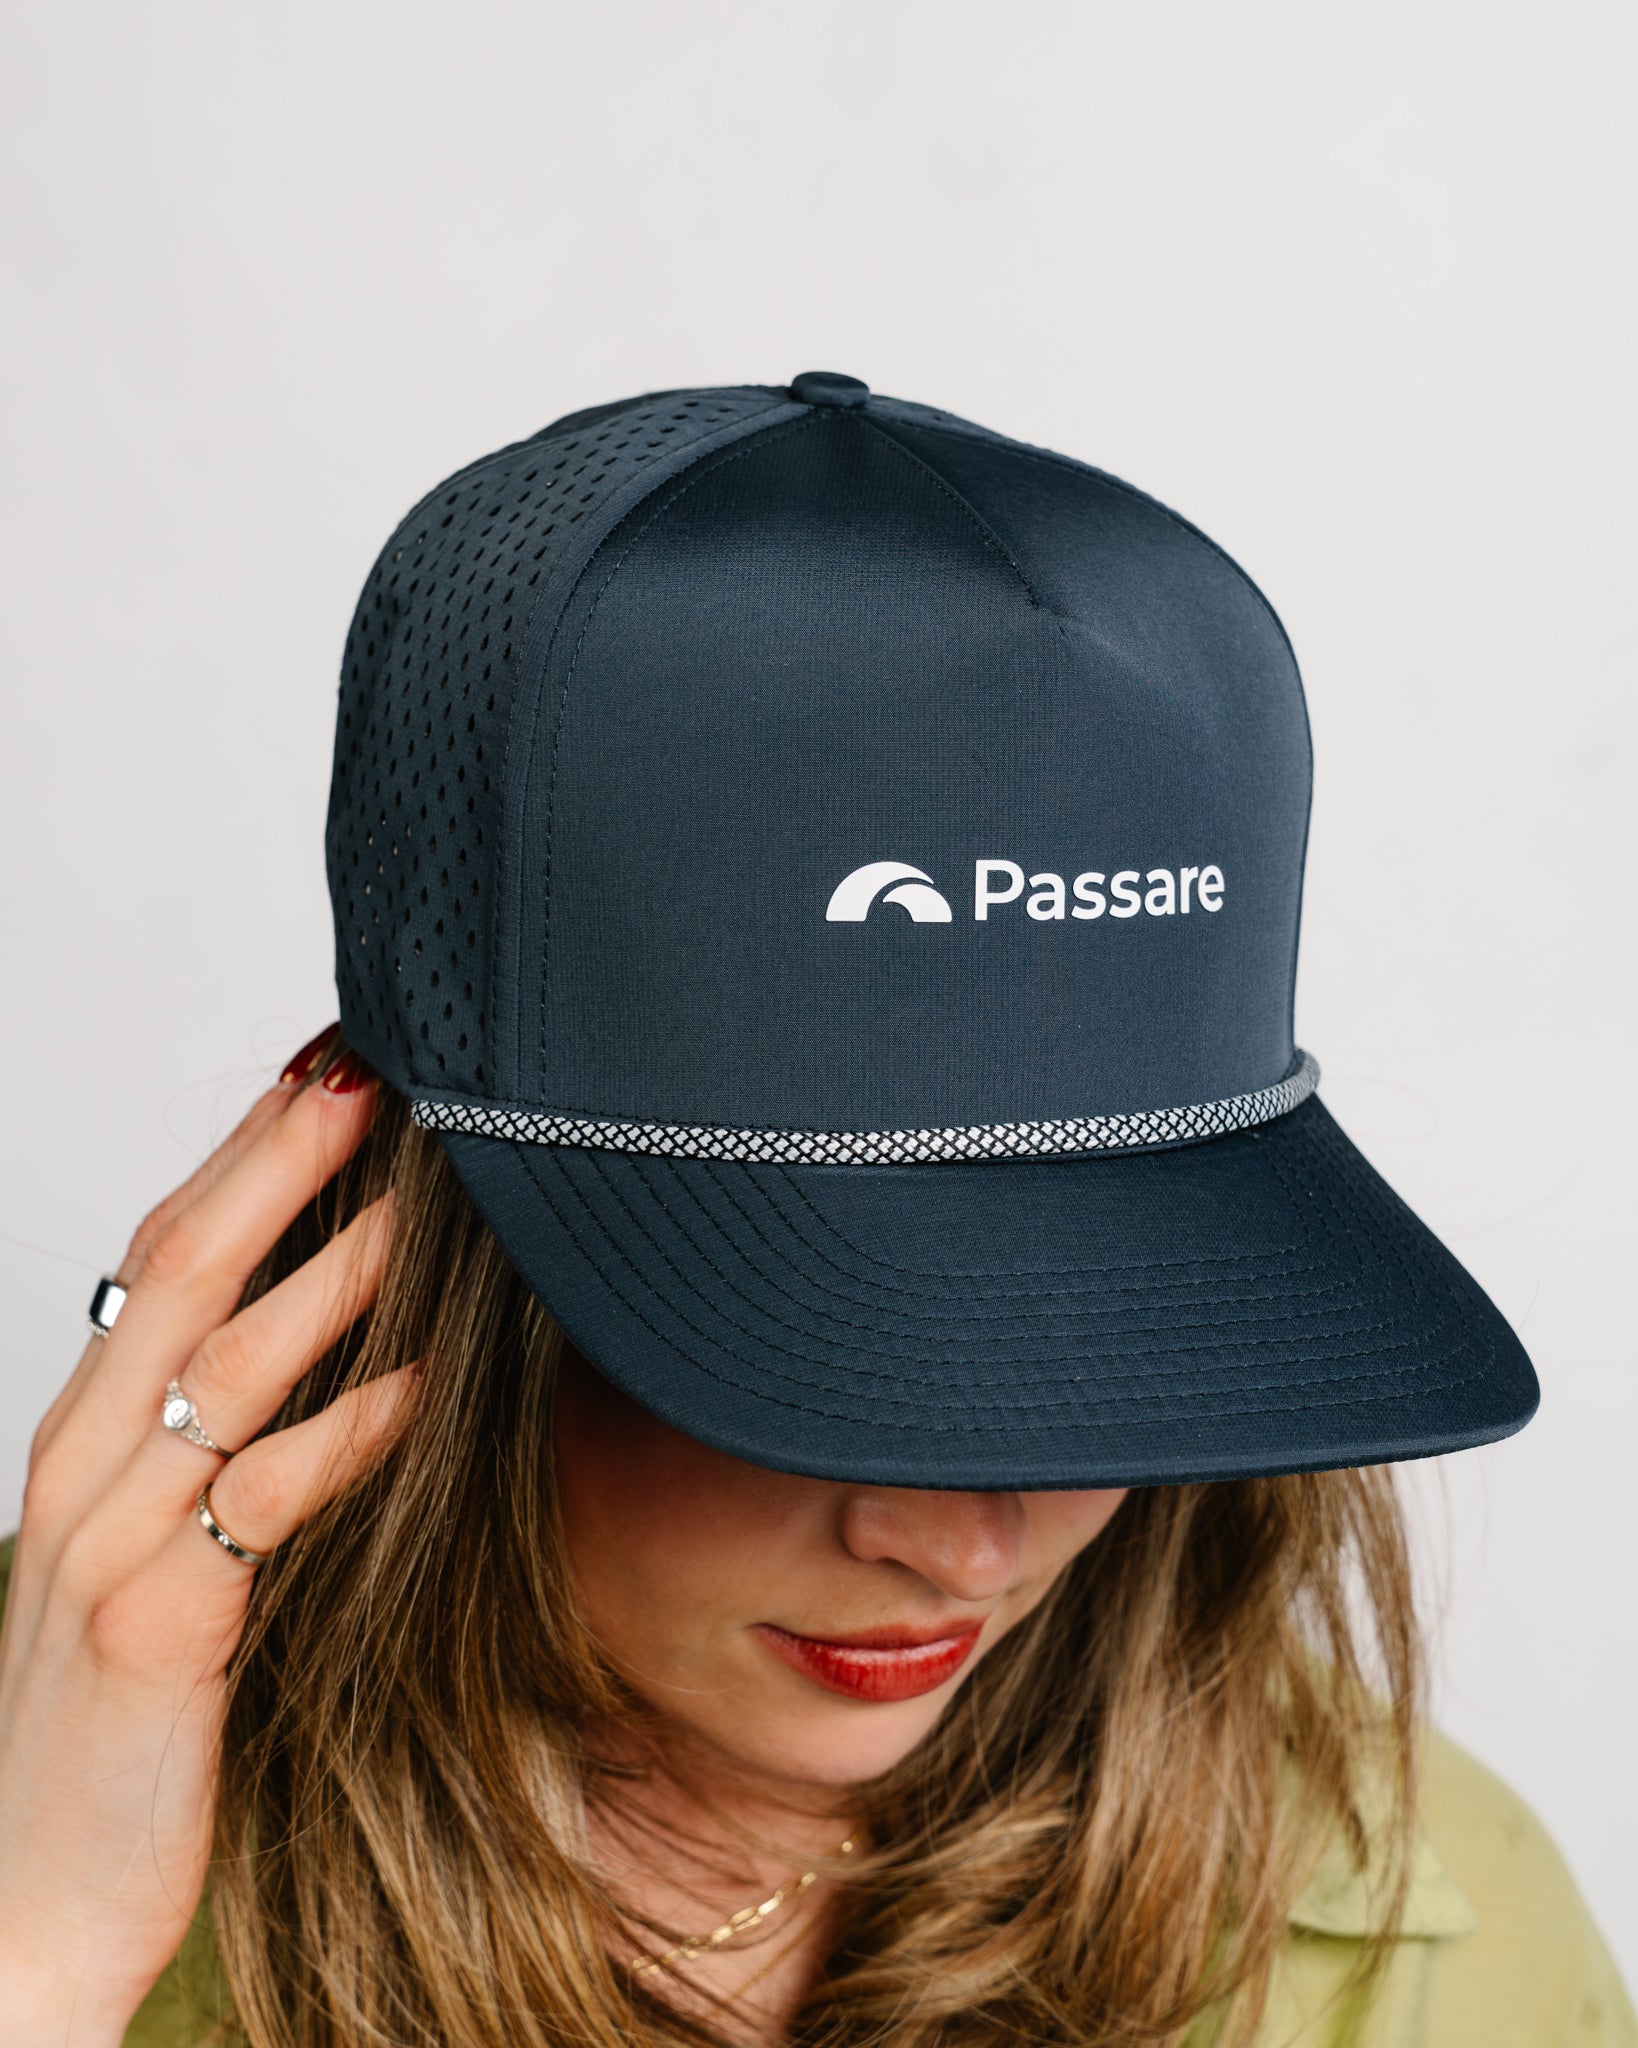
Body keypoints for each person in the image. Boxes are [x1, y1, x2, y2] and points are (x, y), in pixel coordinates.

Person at [0, 373, 1629, 2047]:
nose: (967, 1550)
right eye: (831, 1366)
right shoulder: (37, 1811)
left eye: (1110, 1352)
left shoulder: (1437, 1944)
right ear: (444, 1256)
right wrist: (41, 1965)